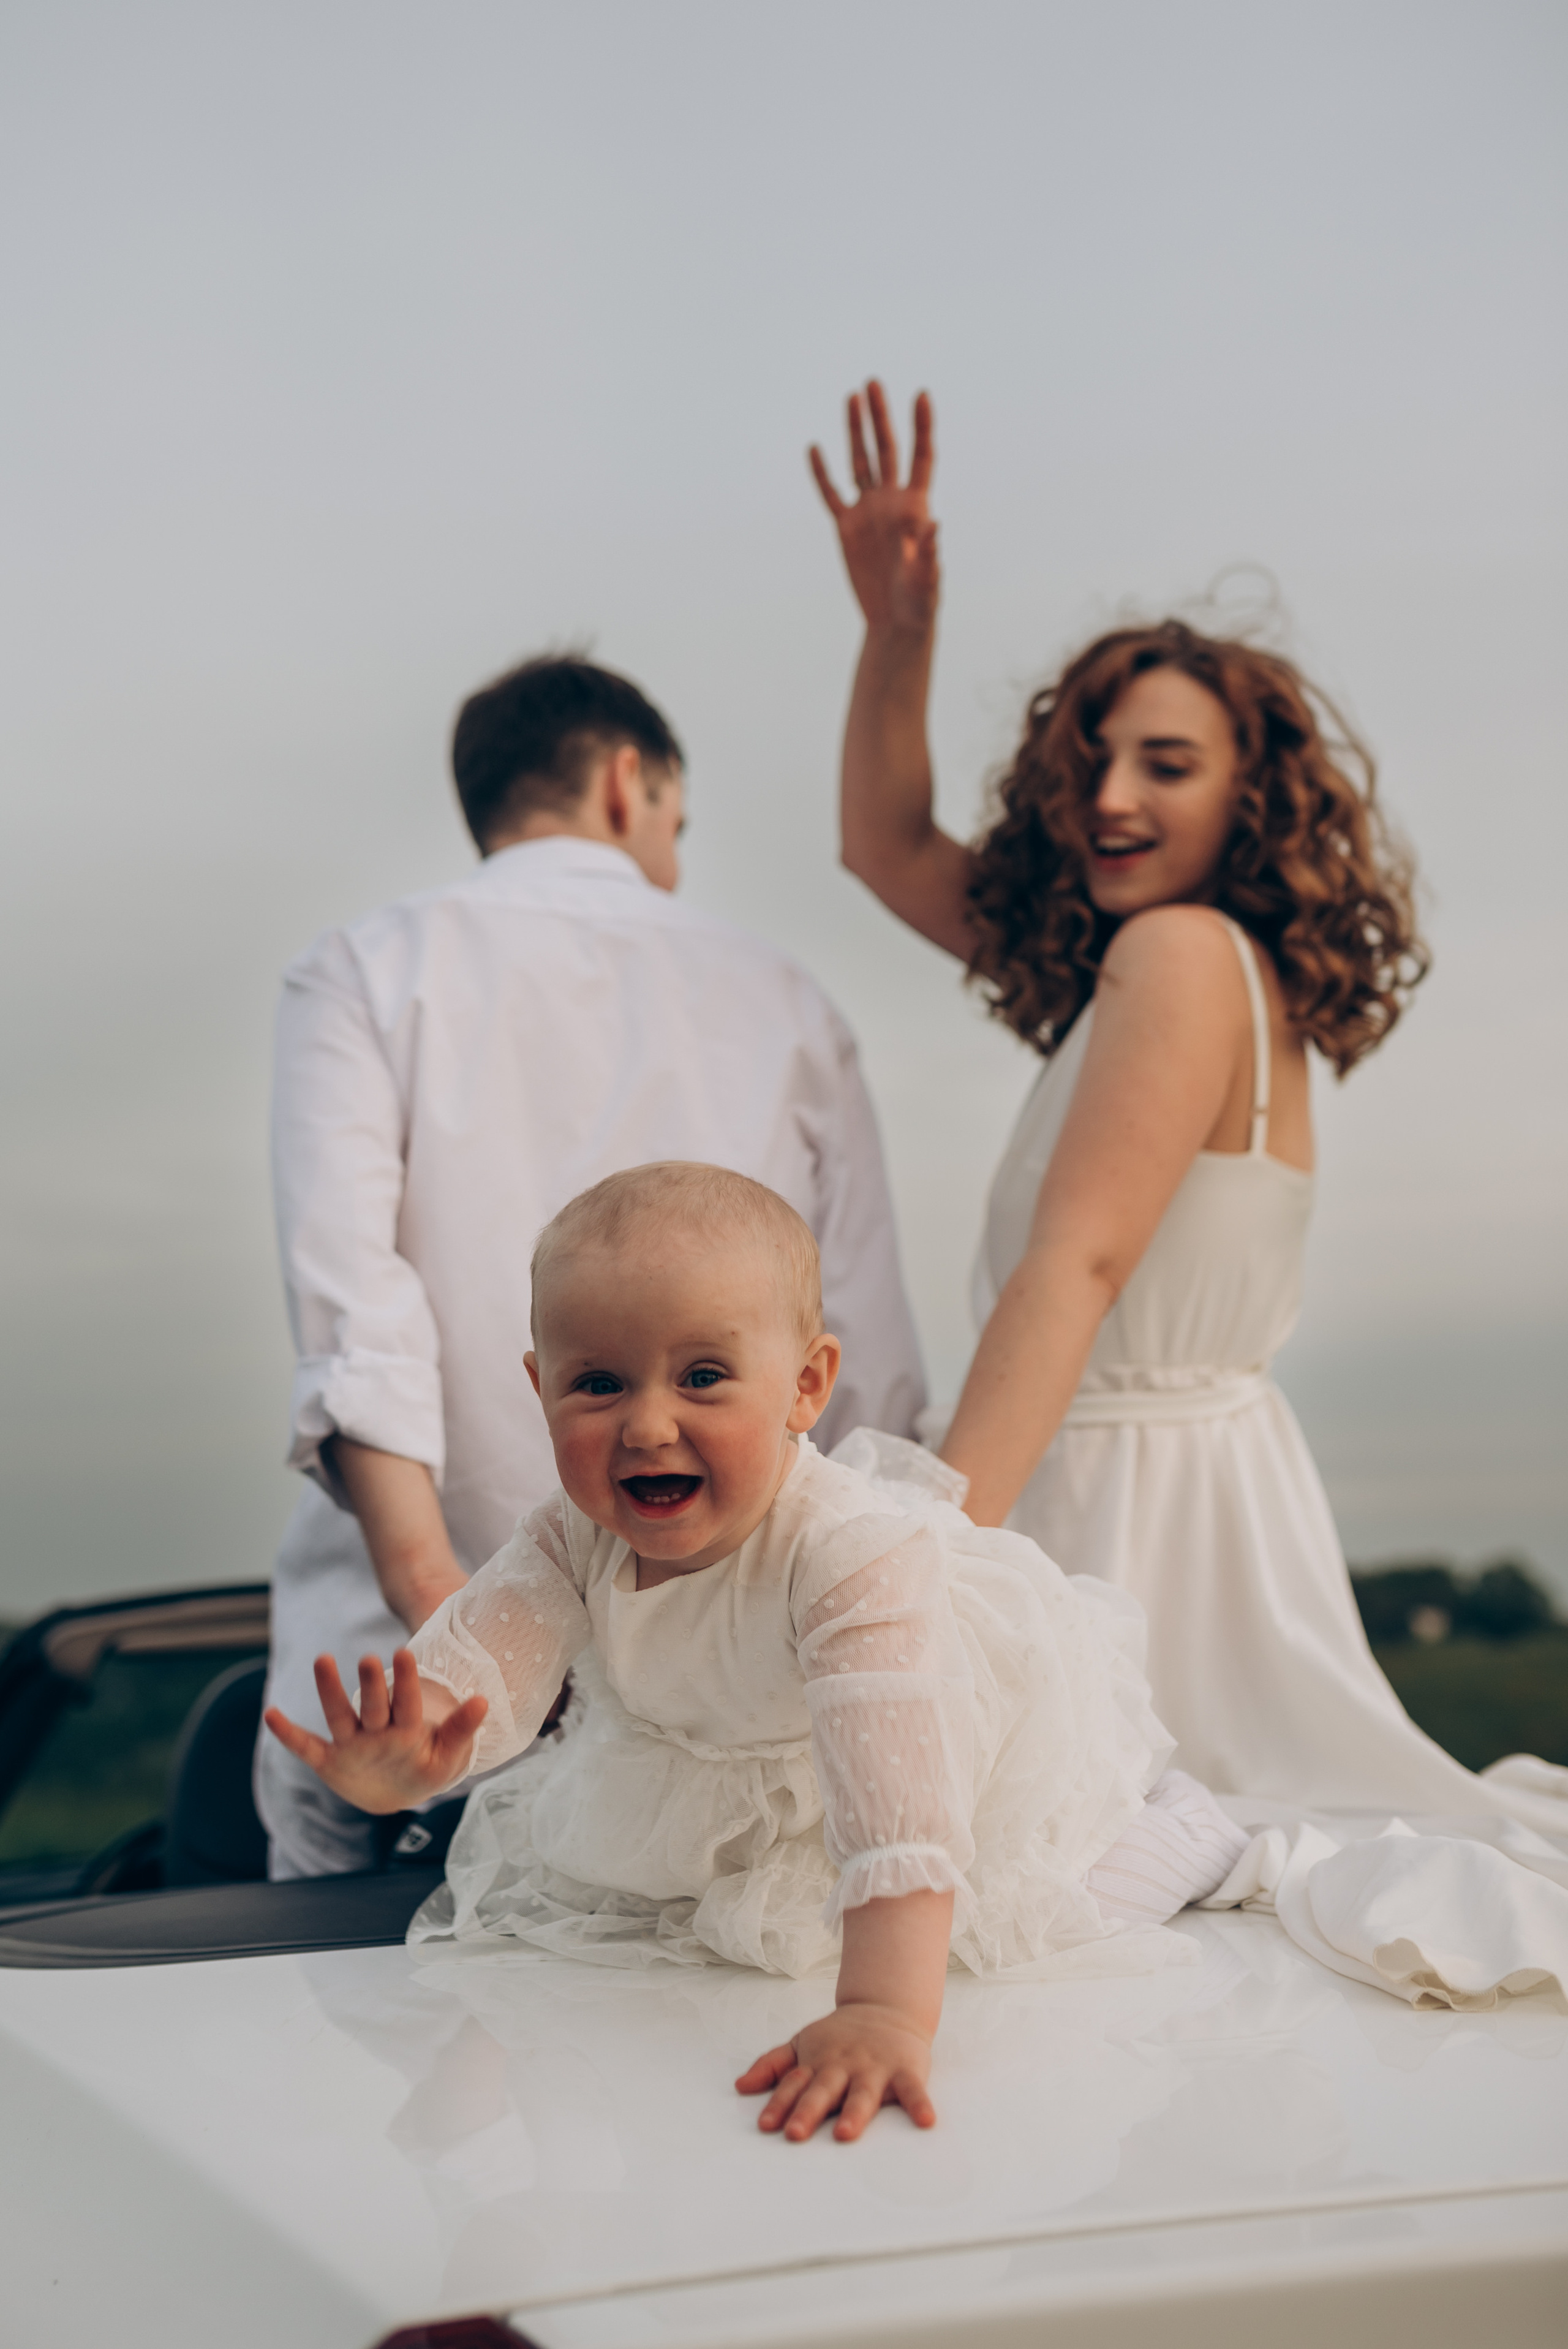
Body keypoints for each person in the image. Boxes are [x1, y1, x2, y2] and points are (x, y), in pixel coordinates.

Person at [809, 381, 1565, 1833]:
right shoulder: (1185, 968)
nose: (1109, 796)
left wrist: (927, 1566)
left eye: (1164, 765)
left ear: (1249, 800)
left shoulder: (1172, 954)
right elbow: (885, 847)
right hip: (1179, 1485)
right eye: (1091, 761)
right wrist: (894, 633)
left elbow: (1075, 1267)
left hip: (1128, 1513)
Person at [264, 1163, 1251, 2142]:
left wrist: (884, 2012)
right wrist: (415, 1752)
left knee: (1033, 1915)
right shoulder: (572, 1532)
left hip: (909, 1747)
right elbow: (485, 1661)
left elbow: (899, 1811)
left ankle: (1178, 1831)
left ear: (805, 1385)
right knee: (688, 1950)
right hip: (701, 1769)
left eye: (703, 1377)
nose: (648, 1425)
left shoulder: (846, 1554)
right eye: (598, 1383)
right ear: (541, 1386)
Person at [258, 656, 925, 1880]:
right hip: (740, 1711)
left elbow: (358, 1326)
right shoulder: (787, 998)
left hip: (405, 1701)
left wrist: (444, 1613)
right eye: (679, 822)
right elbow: (869, 1368)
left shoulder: (362, 968)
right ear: (629, 784)